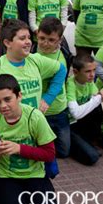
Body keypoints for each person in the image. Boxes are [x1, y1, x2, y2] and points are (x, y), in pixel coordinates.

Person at [0, 74, 59, 204]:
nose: (3, 106)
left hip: (35, 174)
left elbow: (50, 154)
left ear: (19, 96)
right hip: (6, 177)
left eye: (7, 99)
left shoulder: (35, 117)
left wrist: (19, 148)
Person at [0, 19, 66, 117]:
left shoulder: (36, 60)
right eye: (22, 38)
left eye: (29, 37)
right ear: (7, 43)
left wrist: (48, 98)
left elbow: (61, 70)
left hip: (32, 127)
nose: (28, 42)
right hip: (7, 130)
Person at [67, 55, 103, 165]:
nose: (92, 75)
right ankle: (73, 145)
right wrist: (99, 97)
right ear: (75, 72)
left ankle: (90, 141)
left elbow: (97, 98)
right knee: (92, 157)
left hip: (82, 123)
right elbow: (75, 114)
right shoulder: (70, 84)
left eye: (94, 70)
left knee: (100, 108)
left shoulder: (89, 81)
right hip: (70, 125)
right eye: (87, 71)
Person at [35, 17, 70, 158]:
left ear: (59, 40)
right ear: (37, 34)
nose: (45, 43)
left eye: (51, 40)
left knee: (64, 152)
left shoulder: (63, 57)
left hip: (59, 110)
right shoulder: (31, 52)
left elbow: (57, 84)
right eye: (42, 38)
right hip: (40, 112)